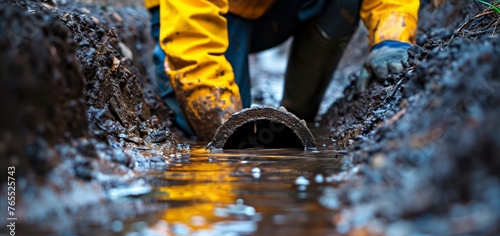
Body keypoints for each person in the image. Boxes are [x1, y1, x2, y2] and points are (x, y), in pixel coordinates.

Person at [144, 0, 419, 141]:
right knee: (200, 127)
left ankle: (299, 117)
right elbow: (191, 41)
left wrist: (392, 37)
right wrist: (228, 129)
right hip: (199, 14)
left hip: (277, 8)